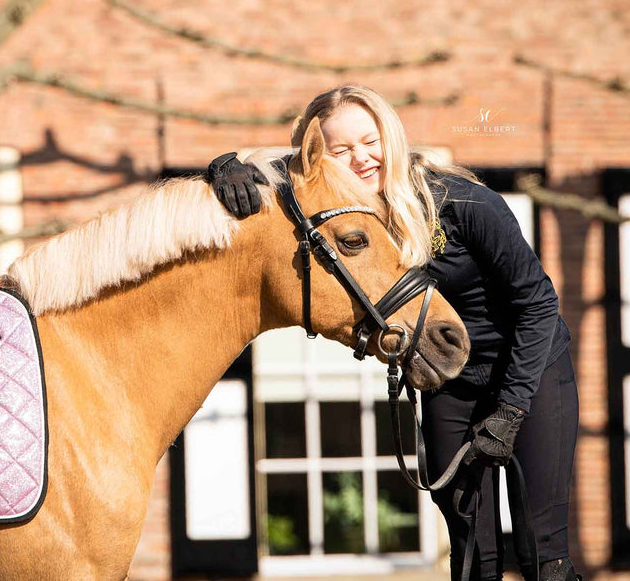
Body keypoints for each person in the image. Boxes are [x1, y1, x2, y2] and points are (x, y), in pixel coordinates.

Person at [207, 84, 579, 581]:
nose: (361, 158)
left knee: (541, 552)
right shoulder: (342, 209)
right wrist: (225, 166)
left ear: (391, 137)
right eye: (342, 149)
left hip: (530, 373)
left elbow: (539, 305)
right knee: (473, 552)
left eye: (370, 141)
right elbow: (282, 165)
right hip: (450, 379)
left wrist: (511, 410)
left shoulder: (464, 201)